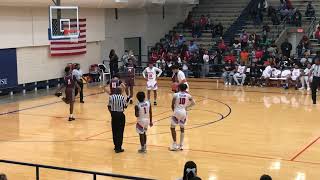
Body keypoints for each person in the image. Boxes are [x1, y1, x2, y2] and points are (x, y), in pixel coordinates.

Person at [169, 84, 195, 151]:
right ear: (186, 88)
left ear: (179, 88)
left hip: (176, 112)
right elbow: (194, 103)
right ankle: (181, 145)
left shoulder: (176, 95)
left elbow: (172, 104)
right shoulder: (188, 95)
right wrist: (187, 107)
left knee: (172, 128)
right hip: (184, 112)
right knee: (182, 128)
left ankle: (175, 144)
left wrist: (174, 111)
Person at [108, 88, 127, 153]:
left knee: (114, 130)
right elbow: (125, 106)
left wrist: (111, 113)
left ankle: (116, 146)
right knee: (120, 131)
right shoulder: (122, 97)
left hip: (114, 115)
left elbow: (109, 106)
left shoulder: (111, 97)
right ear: (121, 91)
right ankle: (119, 147)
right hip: (120, 115)